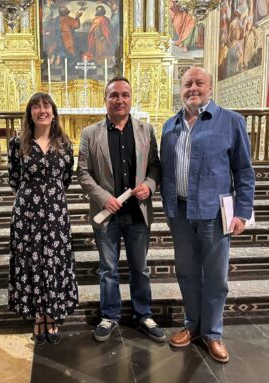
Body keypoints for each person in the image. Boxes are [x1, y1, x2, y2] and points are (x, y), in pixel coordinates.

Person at [159, 67, 255, 363]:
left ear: (210, 88)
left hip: (214, 212)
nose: (193, 88)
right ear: (181, 88)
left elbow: (244, 171)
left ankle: (212, 333)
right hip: (181, 212)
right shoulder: (169, 125)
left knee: (215, 275)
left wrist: (242, 212)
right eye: (187, 84)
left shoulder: (230, 121)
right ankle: (192, 325)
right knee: (187, 271)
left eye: (199, 83)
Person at [77, 77, 165, 343]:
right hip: (108, 215)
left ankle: (144, 315)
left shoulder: (145, 130)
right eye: (114, 95)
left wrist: (149, 186)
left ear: (131, 98)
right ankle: (109, 316)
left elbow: (155, 167)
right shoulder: (90, 134)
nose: (120, 100)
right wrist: (104, 198)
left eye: (125, 95)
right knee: (108, 269)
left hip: (137, 213)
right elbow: (82, 173)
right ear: (105, 100)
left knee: (140, 268)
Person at [8, 93, 78, 345]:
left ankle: (52, 313)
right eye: (36, 107)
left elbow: (67, 178)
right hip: (27, 213)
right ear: (30, 113)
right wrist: (32, 198)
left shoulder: (65, 144)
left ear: (53, 112)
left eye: (46, 106)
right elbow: (14, 178)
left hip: (56, 212)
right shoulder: (18, 143)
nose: (41, 110)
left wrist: (51, 197)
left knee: (54, 261)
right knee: (33, 262)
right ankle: (39, 316)